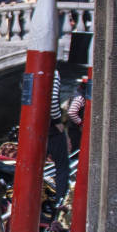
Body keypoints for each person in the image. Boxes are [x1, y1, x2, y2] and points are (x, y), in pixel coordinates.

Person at [48, 73, 71, 203]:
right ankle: (60, 201)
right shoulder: (54, 73)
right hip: (51, 129)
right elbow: (52, 100)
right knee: (62, 167)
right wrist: (57, 121)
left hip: (34, 127)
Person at [66, 78, 88, 150]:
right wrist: (81, 123)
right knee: (76, 147)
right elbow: (71, 112)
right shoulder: (80, 98)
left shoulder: (77, 94)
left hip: (75, 127)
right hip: (75, 129)